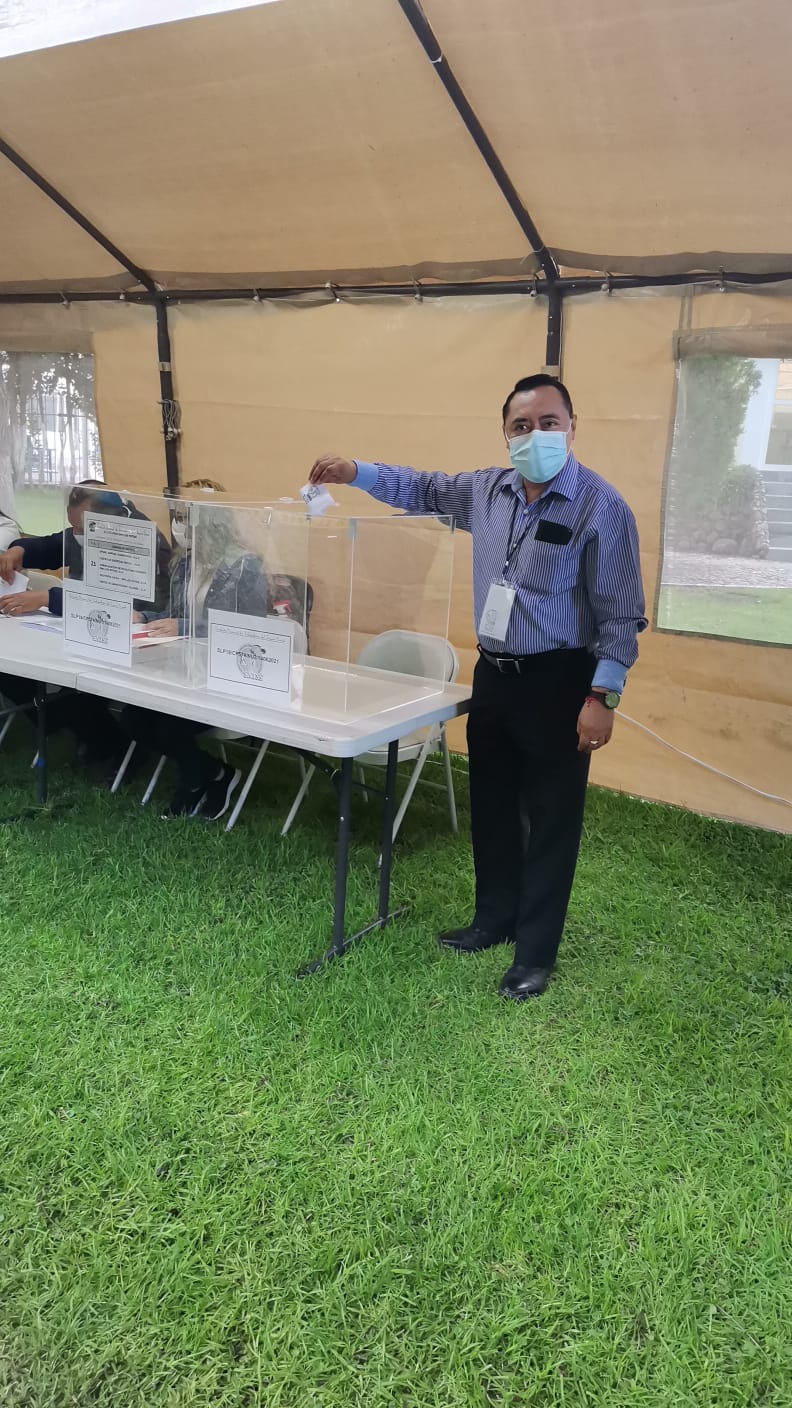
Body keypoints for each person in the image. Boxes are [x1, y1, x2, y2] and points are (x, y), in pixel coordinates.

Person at [308, 373, 647, 1000]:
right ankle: (493, 918)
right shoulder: (487, 491)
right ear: (506, 434)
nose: (535, 435)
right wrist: (356, 472)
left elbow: (621, 614)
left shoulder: (602, 506)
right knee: (491, 804)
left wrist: (603, 697)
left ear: (573, 428)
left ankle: (535, 953)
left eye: (548, 422)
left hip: (559, 681)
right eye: (522, 426)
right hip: (494, 675)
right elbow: (424, 488)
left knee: (551, 818)